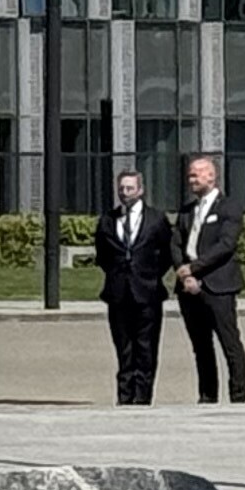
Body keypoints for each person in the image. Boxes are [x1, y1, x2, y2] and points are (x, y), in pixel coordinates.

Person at [171, 151, 245, 405]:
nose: (191, 179)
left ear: (212, 175)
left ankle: (238, 397)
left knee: (230, 344)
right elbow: (175, 243)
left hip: (219, 286)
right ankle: (207, 395)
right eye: (190, 175)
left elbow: (225, 245)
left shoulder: (229, 207)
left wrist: (195, 268)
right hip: (188, 287)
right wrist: (184, 273)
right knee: (201, 347)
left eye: (196, 174)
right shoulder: (186, 211)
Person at [93, 171, 171, 405]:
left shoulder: (156, 219)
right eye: (122, 189)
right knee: (123, 347)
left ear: (140, 190)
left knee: (146, 347)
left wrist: (150, 274)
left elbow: (167, 252)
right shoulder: (108, 219)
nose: (125, 193)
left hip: (147, 293)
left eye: (130, 188)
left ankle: (142, 397)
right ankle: (124, 397)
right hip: (118, 293)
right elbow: (103, 254)